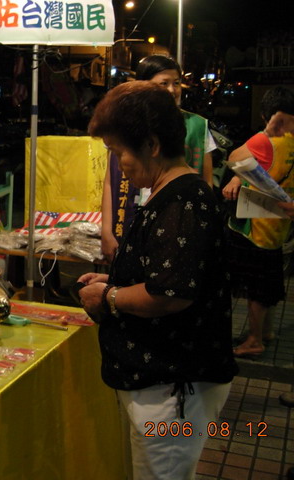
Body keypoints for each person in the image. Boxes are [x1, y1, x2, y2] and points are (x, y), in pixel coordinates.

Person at [77, 81, 237, 480]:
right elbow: (166, 271)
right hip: (160, 382)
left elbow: (170, 294)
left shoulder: (184, 201)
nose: (120, 165)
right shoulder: (169, 192)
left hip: (173, 390)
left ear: (151, 144)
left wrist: (109, 296)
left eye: (119, 152)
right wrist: (116, 278)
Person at [100, 55, 217, 261]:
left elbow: (207, 181)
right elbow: (111, 180)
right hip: (132, 217)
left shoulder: (197, 126)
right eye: (164, 83)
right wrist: (106, 231)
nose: (172, 90)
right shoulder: (124, 125)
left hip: (177, 219)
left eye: (176, 83)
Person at [221, 87, 294, 358]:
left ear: (266, 115)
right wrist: (238, 179)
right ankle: (266, 331)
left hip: (257, 225)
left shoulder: (268, 140)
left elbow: (234, 158)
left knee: (255, 285)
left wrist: (266, 131)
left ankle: (254, 340)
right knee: (268, 282)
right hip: (279, 226)